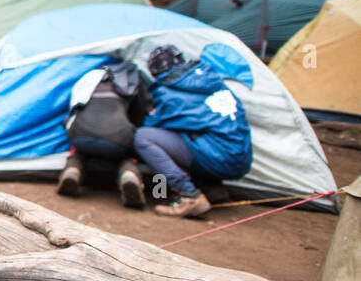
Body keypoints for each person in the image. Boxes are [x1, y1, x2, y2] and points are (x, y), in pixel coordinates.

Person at [133, 44, 253, 218]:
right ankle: (213, 188)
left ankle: (189, 196)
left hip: (217, 158)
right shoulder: (211, 79)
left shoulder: (169, 90)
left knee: (144, 137)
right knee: (196, 134)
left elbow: (153, 123)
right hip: (241, 159)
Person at [57, 60, 150, 207]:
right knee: (126, 156)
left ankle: (72, 171)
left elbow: (72, 110)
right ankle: (129, 175)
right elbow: (139, 118)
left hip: (80, 136)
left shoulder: (88, 80)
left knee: (79, 153)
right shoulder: (131, 82)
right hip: (116, 140)